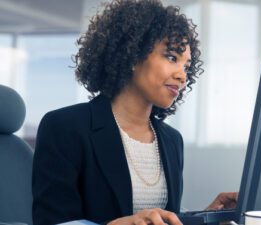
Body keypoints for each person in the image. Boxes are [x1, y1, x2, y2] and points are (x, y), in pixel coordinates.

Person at [32, 0, 237, 224]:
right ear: (133, 54)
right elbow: (51, 221)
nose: (182, 76)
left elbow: (162, 218)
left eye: (186, 66)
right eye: (171, 58)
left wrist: (209, 216)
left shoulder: (171, 141)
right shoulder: (65, 127)